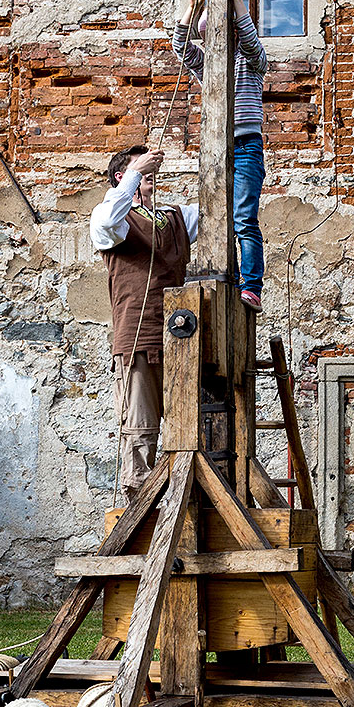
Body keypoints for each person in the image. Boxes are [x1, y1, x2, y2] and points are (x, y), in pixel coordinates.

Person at [90, 145, 199, 502]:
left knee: (192, 423)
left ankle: (188, 496)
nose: (149, 173)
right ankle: (140, 501)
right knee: (140, 425)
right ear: (122, 177)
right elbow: (108, 221)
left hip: (182, 336)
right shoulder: (113, 217)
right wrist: (137, 171)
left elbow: (221, 208)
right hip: (137, 335)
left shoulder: (174, 217)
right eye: (138, 170)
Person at [172, 0, 267, 313]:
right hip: (215, 150)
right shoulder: (207, 66)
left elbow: (250, 38)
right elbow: (179, 45)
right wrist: (193, 6)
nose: (217, 42)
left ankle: (251, 286)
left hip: (245, 147)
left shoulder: (252, 61)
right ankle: (214, 274)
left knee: (243, 219)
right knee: (214, 218)